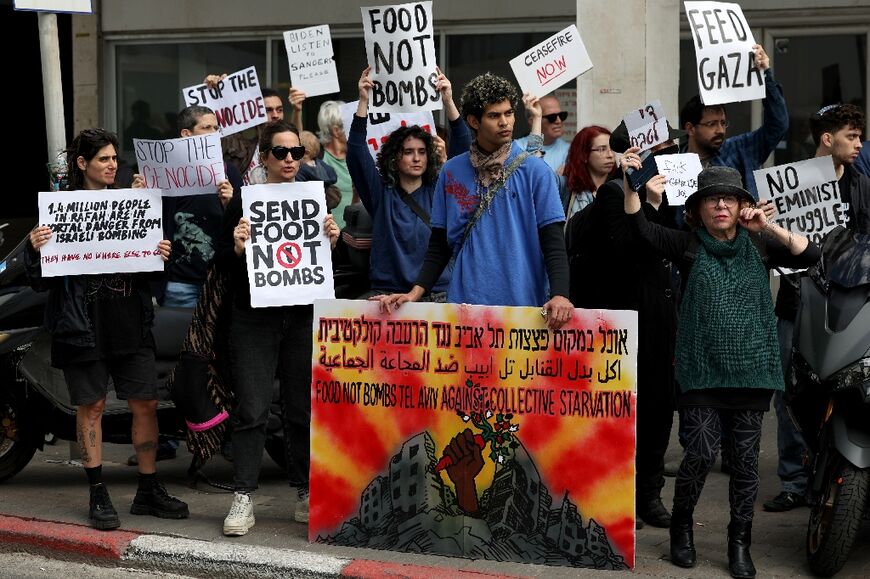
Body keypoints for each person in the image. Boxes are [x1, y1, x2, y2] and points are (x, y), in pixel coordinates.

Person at [621, 154, 821, 578]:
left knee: (746, 462)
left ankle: (739, 542)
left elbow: (811, 255)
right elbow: (641, 233)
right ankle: (682, 527)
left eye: (729, 199)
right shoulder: (688, 244)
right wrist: (631, 186)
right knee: (698, 452)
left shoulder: (758, 241)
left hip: (751, 373)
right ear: (698, 209)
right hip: (701, 371)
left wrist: (767, 227)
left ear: (741, 206)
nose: (721, 207)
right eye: (712, 200)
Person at [25, 128, 189, 530]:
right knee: (92, 407)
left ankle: (148, 488)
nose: (113, 165)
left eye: (115, 158)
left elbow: (155, 267)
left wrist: (162, 252)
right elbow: (40, 281)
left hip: (131, 323)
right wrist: (35, 249)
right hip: (82, 326)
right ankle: (98, 491)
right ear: (83, 164)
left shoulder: (134, 205)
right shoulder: (61, 211)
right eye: (104, 159)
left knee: (145, 403)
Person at [216, 120, 340, 535]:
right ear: (265, 157)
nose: (290, 159)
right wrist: (236, 249)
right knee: (251, 407)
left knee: (300, 409)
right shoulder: (246, 202)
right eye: (281, 152)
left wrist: (332, 240)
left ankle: (305, 490)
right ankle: (243, 496)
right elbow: (220, 264)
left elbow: (323, 266)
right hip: (254, 317)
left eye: (297, 153)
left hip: (302, 315)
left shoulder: (315, 199)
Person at [375, 72, 573, 328]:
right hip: (465, 309)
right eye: (494, 115)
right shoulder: (451, 172)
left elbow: (553, 240)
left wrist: (560, 294)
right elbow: (440, 243)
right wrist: (415, 293)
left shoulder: (536, 171)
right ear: (473, 121)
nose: (505, 122)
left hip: (523, 308)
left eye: (509, 113)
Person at [765, 103, 870, 512]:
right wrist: (774, 227)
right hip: (798, 298)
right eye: (852, 136)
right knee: (789, 390)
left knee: (845, 386)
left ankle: (830, 471)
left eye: (860, 137)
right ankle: (794, 479)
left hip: (848, 304)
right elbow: (770, 244)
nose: (859, 144)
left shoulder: (863, 186)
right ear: (828, 139)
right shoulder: (788, 184)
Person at [348, 65, 469, 298]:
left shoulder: (440, 190)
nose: (416, 158)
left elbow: (463, 151)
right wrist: (363, 101)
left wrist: (449, 102)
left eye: (422, 152)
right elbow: (355, 152)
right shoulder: (381, 195)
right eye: (409, 152)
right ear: (395, 157)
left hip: (438, 296)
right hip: (387, 296)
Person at [680, 44, 788, 198]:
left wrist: (765, 75)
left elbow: (778, 126)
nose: (720, 130)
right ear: (690, 128)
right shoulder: (674, 167)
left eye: (723, 123)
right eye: (712, 124)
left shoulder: (739, 150)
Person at [561, 125, 616, 221]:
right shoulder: (566, 187)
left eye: (612, 149)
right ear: (584, 155)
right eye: (602, 149)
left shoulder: (620, 186)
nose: (610, 155)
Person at [318, 100, 354, 229]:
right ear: (336, 131)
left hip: (356, 237)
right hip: (331, 238)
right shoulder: (319, 160)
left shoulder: (360, 158)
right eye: (351, 124)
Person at [515, 94, 571, 175]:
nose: (558, 121)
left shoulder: (570, 150)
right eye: (552, 117)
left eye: (562, 115)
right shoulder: (517, 147)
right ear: (532, 121)